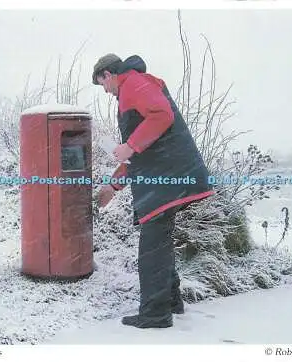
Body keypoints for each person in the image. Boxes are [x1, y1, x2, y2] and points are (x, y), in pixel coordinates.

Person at [92, 53, 215, 329]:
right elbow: (140, 155)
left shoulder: (133, 83)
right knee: (159, 239)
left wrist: (130, 145)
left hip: (167, 178)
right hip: (168, 176)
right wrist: (112, 186)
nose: (106, 91)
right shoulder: (135, 86)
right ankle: (171, 302)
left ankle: (155, 314)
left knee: (152, 246)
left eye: (103, 85)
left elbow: (162, 115)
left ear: (107, 75)